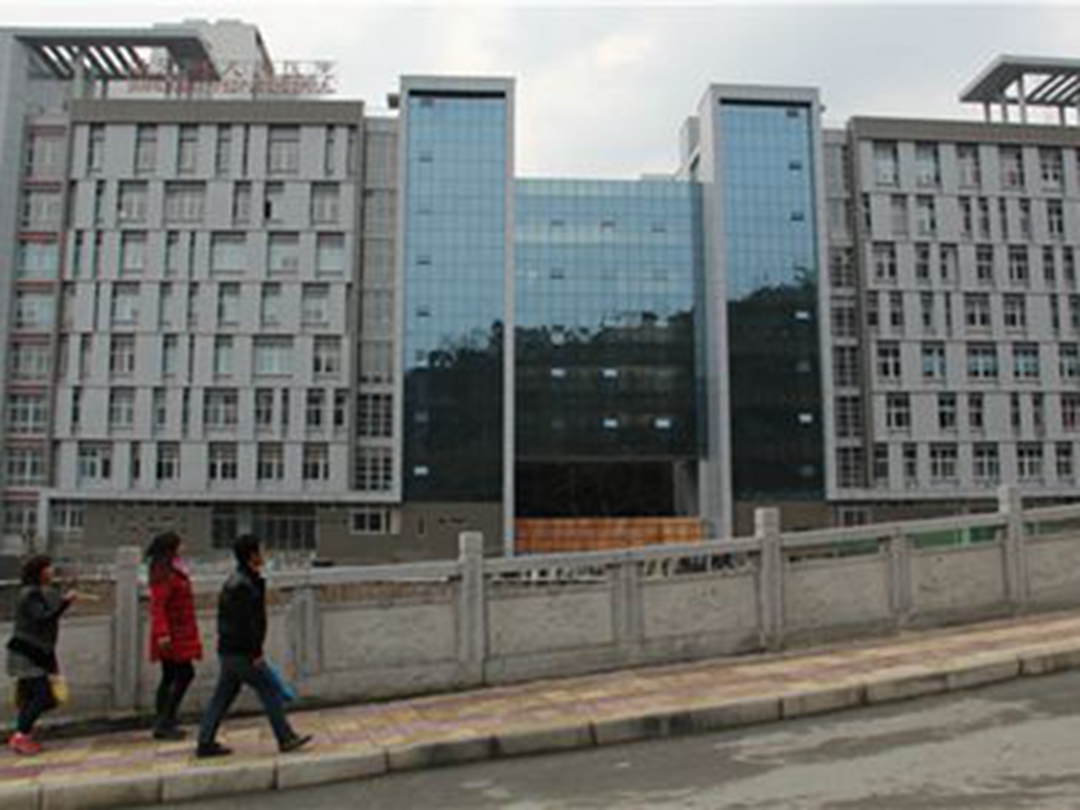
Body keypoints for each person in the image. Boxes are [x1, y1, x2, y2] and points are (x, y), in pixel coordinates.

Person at [196, 534, 311, 758]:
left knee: (222, 697)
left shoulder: (237, 581)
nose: (264, 554)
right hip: (243, 653)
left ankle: (205, 742)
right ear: (252, 555)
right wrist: (255, 652)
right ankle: (286, 738)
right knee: (269, 690)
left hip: (229, 652)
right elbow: (248, 624)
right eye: (261, 550)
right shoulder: (244, 585)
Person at [5, 555, 76, 755]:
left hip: (34, 651)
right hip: (28, 652)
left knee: (31, 697)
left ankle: (23, 735)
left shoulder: (35, 592)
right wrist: (65, 603)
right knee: (43, 695)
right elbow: (43, 617)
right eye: (48, 568)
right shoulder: (30, 594)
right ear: (40, 571)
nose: (52, 571)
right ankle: (20, 735)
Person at [146, 531, 202, 740]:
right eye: (180, 545)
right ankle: (164, 721)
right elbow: (158, 606)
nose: (183, 548)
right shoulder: (165, 574)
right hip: (173, 634)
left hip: (177, 631)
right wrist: (163, 634)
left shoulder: (169, 570)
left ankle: (164, 720)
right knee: (185, 674)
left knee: (170, 676)